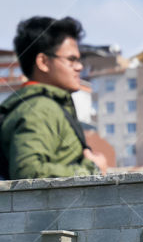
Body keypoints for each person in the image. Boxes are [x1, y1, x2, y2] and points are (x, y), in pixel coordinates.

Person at [0, 16, 107, 179]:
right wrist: (92, 170)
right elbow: (28, 172)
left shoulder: (37, 105)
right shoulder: (41, 108)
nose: (79, 67)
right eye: (71, 59)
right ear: (43, 62)